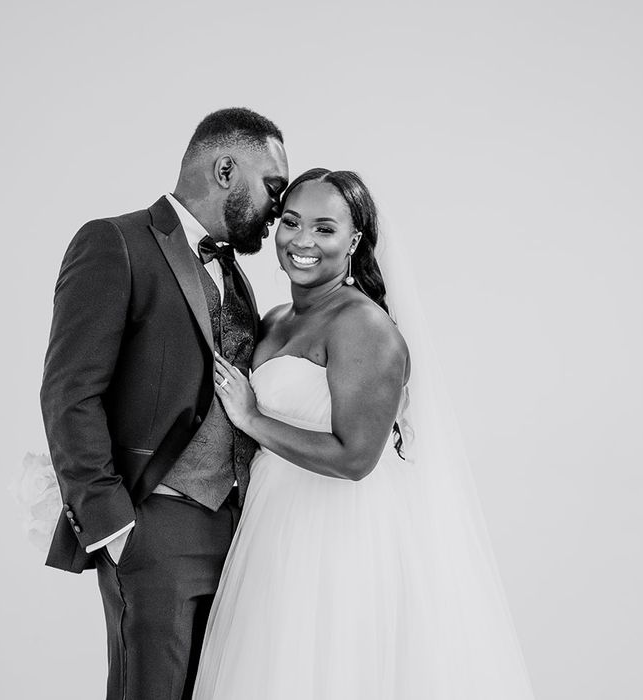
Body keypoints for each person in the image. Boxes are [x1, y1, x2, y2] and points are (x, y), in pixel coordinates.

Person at [192, 169, 536, 699]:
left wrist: (253, 419)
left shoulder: (362, 326)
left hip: (332, 537)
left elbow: (355, 458)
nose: (302, 241)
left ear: (353, 242)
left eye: (324, 229)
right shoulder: (279, 317)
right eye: (290, 222)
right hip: (271, 524)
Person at [39, 107, 289, 700]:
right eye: (272, 187)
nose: (278, 209)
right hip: (155, 529)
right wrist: (114, 526)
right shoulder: (114, 242)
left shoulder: (234, 270)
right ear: (225, 168)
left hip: (236, 532)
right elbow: (70, 391)